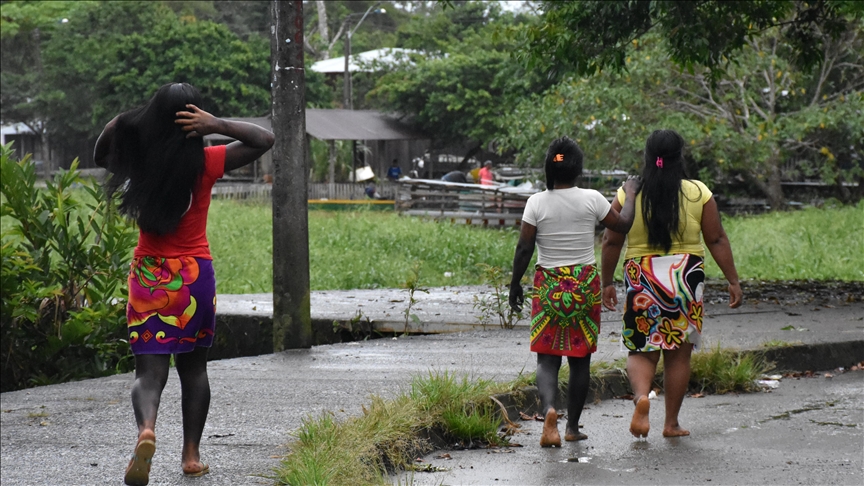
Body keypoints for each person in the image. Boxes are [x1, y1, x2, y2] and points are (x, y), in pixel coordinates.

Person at [94, 83, 275, 485]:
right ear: (195, 121)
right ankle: (191, 456)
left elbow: (99, 153)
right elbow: (265, 139)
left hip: (149, 277)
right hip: (194, 278)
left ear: (153, 118)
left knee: (149, 372)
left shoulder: (137, 162)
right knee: (194, 371)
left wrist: (128, 119)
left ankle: (146, 429)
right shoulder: (208, 161)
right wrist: (217, 124)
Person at [601, 129, 742, 439]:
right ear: (680, 157)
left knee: (641, 350)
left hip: (643, 276)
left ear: (649, 158)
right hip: (686, 277)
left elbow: (612, 241)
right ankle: (671, 423)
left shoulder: (629, 194)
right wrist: (733, 280)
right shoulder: (698, 192)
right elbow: (716, 237)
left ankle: (641, 399)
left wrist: (607, 282)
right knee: (679, 353)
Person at [509, 136, 641, 447]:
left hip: (550, 285)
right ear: (578, 169)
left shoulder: (536, 202)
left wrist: (515, 283)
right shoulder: (593, 199)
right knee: (580, 360)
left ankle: (550, 412)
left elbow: (524, 246)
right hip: (583, 285)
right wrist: (631, 193)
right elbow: (622, 224)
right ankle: (572, 427)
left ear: (548, 168)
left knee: (547, 359)